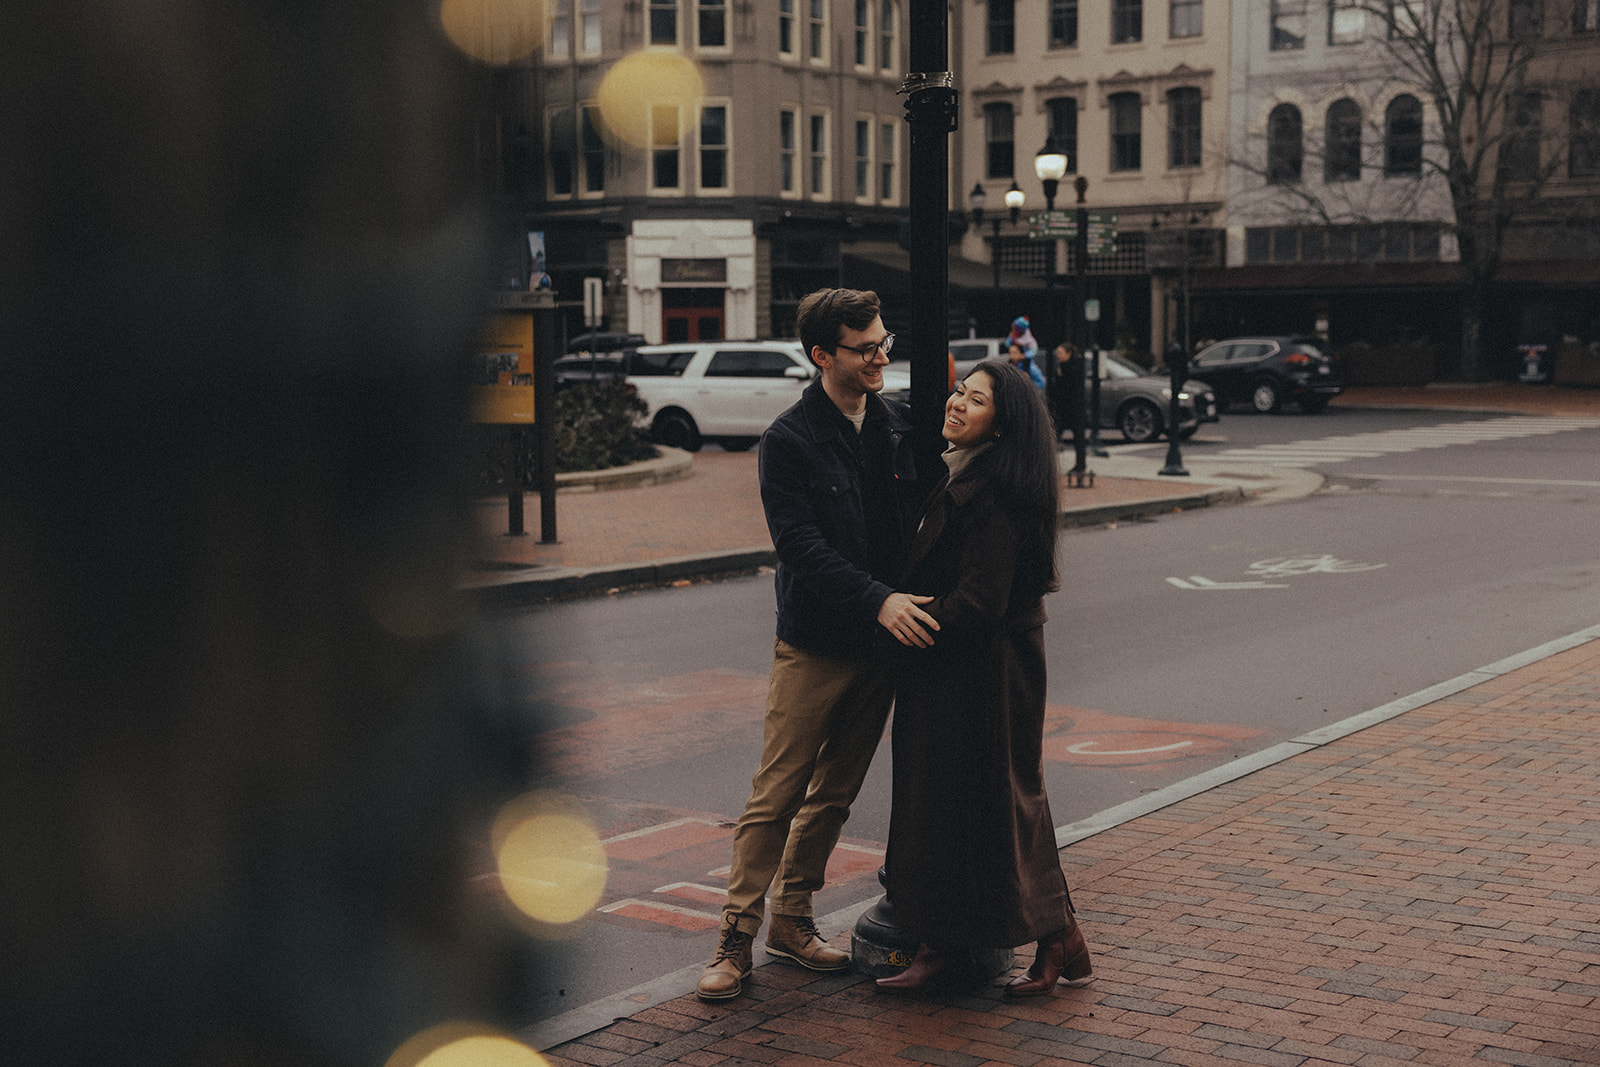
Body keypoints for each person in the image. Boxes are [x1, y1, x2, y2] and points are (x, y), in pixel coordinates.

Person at [697, 287, 938, 1001]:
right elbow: (800, 546)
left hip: (880, 646)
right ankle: (734, 939)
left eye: (884, 342)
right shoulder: (789, 439)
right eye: (866, 348)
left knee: (834, 795)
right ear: (822, 355)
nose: (881, 358)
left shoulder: (896, 426)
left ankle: (793, 922)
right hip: (816, 642)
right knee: (778, 793)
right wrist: (880, 599)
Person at [874, 359, 1094, 998]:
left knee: (992, 805)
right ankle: (992, 940)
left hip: (983, 677)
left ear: (1002, 425)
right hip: (964, 670)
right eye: (958, 392)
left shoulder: (992, 492)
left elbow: (981, 603)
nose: (956, 403)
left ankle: (1027, 938)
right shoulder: (971, 475)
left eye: (975, 399)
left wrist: (907, 615)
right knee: (971, 806)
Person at [1048, 342, 1089, 473]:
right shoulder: (1060, 367)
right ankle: (1049, 464)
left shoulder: (1073, 367)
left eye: (1060, 353)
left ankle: (1080, 464)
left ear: (1069, 353)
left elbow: (1069, 387)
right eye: (1057, 353)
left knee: (1078, 437)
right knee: (1052, 436)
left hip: (1072, 408)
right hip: (1060, 409)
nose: (1058, 356)